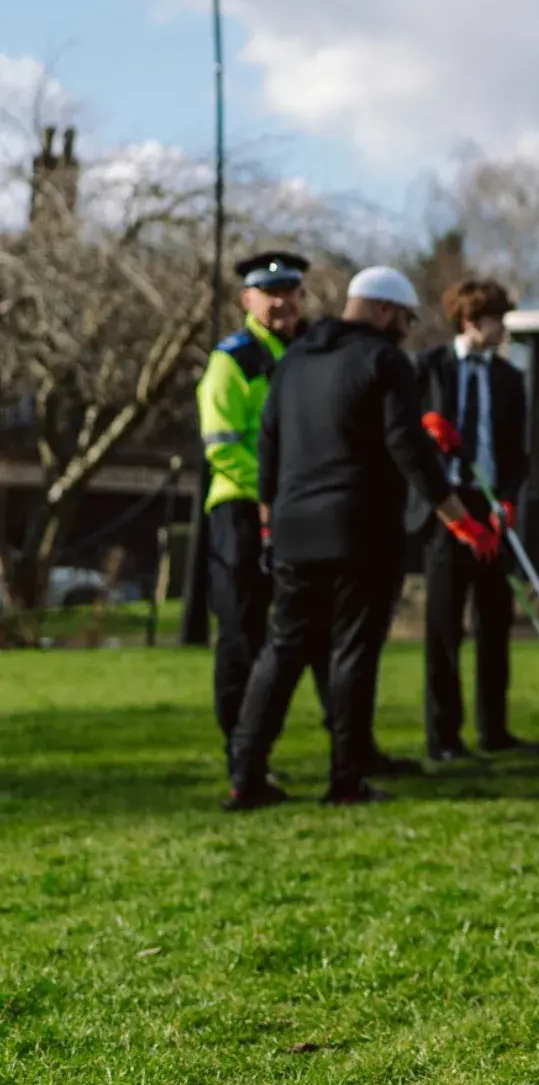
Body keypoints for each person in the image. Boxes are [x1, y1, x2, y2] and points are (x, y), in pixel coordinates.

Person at [224, 268, 499, 809]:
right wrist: (457, 517)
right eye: (403, 318)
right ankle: (346, 780)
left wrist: (268, 522)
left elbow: (269, 447)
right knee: (353, 650)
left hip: (293, 526)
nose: (404, 328)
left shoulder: (294, 359)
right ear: (382, 310)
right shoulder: (384, 360)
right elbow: (406, 446)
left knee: (282, 650)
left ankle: (245, 774)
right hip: (359, 528)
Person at [411, 278, 539, 763]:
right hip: (448, 506)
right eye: (496, 321)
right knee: (445, 626)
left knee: (495, 623)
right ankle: (444, 736)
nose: (503, 329)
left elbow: (518, 453)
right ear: (470, 321)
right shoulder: (428, 369)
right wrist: (432, 436)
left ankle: (496, 728)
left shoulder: (510, 379)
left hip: (491, 506)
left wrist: (507, 499)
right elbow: (404, 436)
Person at [196, 250, 323, 746]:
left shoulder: (306, 352)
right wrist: (270, 492)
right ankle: (240, 747)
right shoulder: (234, 358)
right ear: (247, 298)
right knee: (241, 631)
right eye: (270, 294)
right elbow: (221, 446)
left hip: (295, 508)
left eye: (289, 292)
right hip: (242, 510)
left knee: (305, 632)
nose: (281, 303)